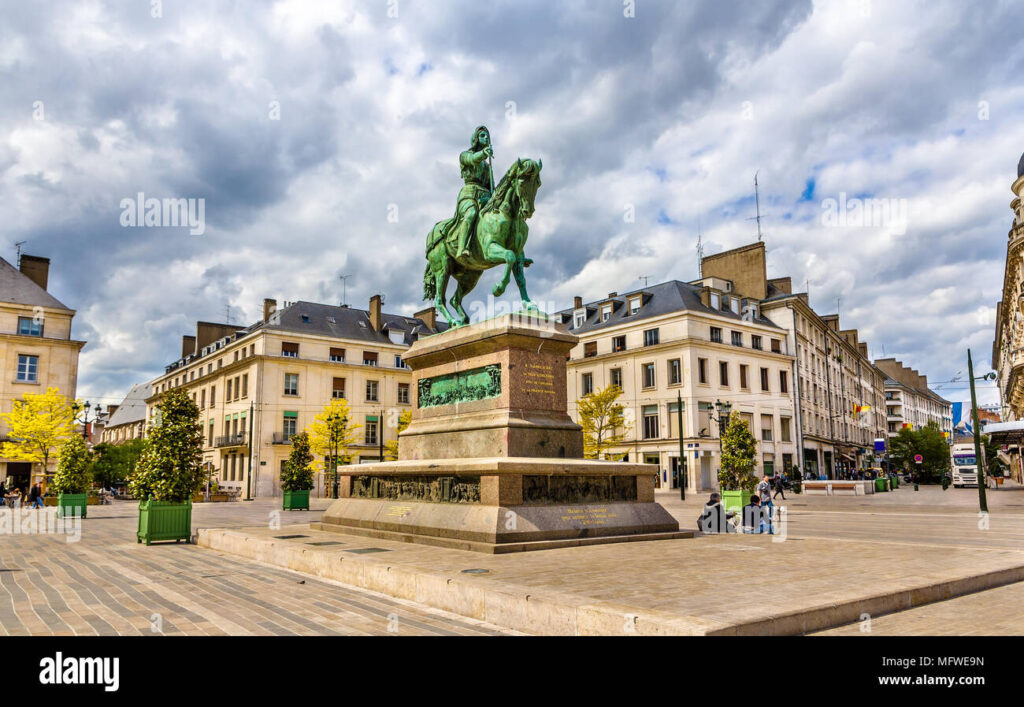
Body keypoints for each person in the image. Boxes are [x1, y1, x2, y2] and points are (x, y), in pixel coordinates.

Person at [452, 126, 495, 260]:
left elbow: (491, 186)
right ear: (476, 139)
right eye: (482, 135)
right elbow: (472, 159)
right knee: (471, 214)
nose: (486, 137)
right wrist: (483, 154)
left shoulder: (488, 167)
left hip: (485, 197)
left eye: (487, 136)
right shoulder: (464, 155)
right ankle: (461, 248)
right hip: (469, 194)